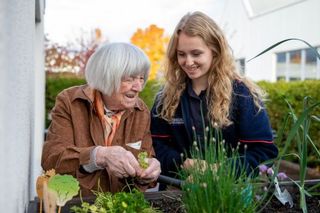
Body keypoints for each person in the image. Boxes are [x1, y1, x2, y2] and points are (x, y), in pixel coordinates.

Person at [151, 11, 278, 187]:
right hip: (177, 191)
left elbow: (265, 152)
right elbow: (155, 146)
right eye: (181, 54)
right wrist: (184, 164)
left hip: (232, 192)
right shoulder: (165, 98)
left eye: (196, 53)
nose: (188, 62)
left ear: (215, 52)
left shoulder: (242, 95)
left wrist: (221, 170)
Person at [42, 42, 161, 196]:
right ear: (107, 76)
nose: (138, 87)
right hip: (77, 205)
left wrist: (150, 171)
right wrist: (99, 156)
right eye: (130, 79)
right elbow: (52, 160)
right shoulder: (70, 102)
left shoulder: (141, 111)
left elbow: (145, 162)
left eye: (141, 78)